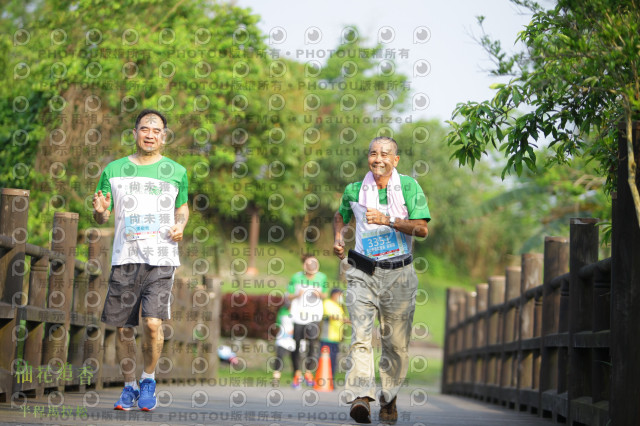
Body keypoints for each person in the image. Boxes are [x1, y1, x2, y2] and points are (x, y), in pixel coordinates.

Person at [92, 109, 189, 411]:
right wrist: (100, 211)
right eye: (144, 128)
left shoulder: (177, 171)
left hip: (161, 258)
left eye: (156, 130)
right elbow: (101, 212)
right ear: (134, 133)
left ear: (164, 136)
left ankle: (148, 379)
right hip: (125, 257)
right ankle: (128, 386)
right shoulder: (114, 169)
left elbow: (182, 208)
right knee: (123, 328)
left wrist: (180, 225)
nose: (150, 134)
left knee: (151, 323)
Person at [333, 136, 430, 424]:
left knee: (396, 345)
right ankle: (361, 397)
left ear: (395, 160)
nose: (379, 159)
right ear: (368, 158)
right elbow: (341, 217)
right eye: (373, 153)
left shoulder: (410, 187)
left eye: (385, 154)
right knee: (361, 336)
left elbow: (422, 229)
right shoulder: (354, 189)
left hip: (399, 273)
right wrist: (339, 238)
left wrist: (387, 220)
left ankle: (389, 398)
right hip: (363, 270)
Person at [287, 254, 329, 388]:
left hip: (314, 316)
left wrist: (319, 294)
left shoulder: (322, 277)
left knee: (312, 344)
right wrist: (297, 295)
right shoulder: (296, 277)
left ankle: (309, 372)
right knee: (296, 345)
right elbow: (289, 295)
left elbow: (325, 294)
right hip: (298, 315)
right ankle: (297, 374)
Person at [320, 288, 348, 374]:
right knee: (325, 358)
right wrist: (343, 319)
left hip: (336, 337)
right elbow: (329, 316)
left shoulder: (340, 306)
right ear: (334, 294)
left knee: (333, 359)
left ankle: (331, 379)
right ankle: (323, 377)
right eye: (339, 295)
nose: (341, 297)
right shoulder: (327, 303)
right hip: (327, 336)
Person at [271, 299, 296, 386]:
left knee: (295, 359)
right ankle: (276, 378)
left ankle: (296, 380)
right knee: (279, 357)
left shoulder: (297, 311)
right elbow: (278, 322)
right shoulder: (282, 310)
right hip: (282, 338)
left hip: (294, 339)